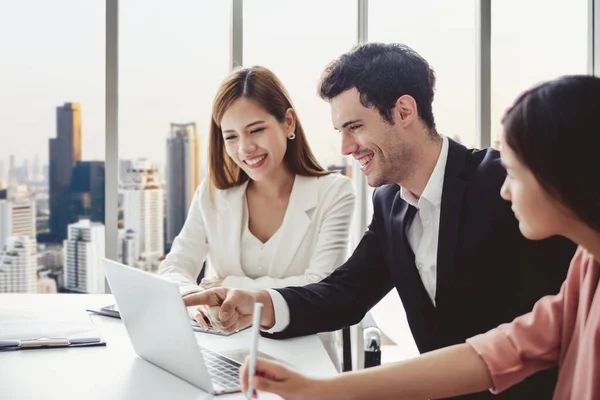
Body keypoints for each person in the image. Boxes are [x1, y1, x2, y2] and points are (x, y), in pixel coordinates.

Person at [182, 43, 577, 399]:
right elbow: (346, 293)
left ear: (404, 111)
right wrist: (262, 304)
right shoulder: (389, 203)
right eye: (340, 130)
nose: (345, 147)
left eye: (354, 127)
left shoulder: (499, 183)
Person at [158, 66, 355, 367]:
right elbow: (176, 265)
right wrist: (191, 298)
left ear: (288, 123)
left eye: (256, 130)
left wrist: (228, 285)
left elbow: (320, 287)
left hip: (303, 358)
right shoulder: (213, 192)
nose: (245, 148)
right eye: (231, 137)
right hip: (224, 356)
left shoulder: (334, 193)